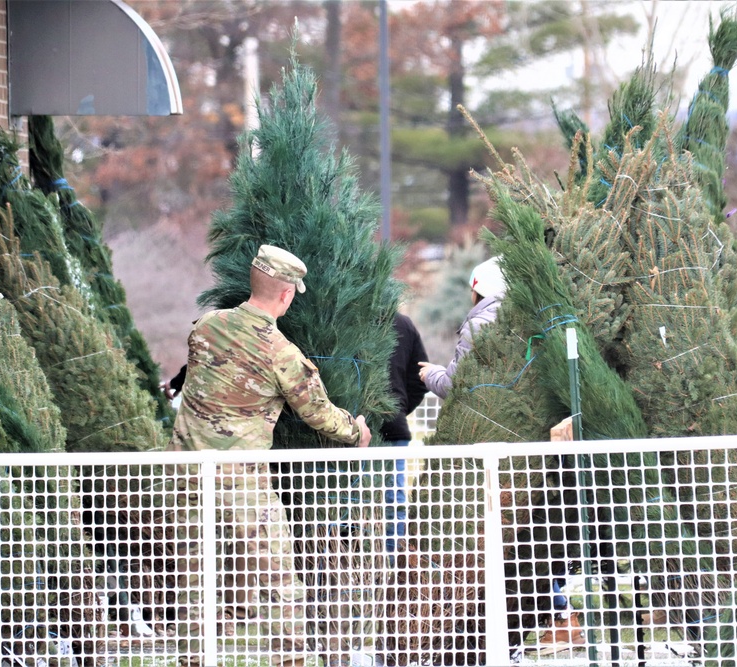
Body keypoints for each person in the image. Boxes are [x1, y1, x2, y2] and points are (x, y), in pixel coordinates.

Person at [166, 244, 371, 667]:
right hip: (242, 483)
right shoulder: (281, 353)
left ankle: (193, 659)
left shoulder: (205, 327)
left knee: (192, 580)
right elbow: (318, 414)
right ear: (286, 295)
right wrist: (357, 432)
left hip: (185, 477)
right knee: (279, 578)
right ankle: (289, 660)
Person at [417, 256, 506, 398]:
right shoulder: (522, 319)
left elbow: (454, 386)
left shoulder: (477, 327)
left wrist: (431, 374)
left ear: (480, 292)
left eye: (473, 290)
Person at [381, 312, 429, 554]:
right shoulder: (402, 323)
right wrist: (397, 409)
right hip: (393, 429)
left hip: (345, 431)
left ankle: (348, 571)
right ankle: (392, 568)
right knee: (393, 502)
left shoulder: (342, 314)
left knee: (345, 502)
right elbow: (420, 378)